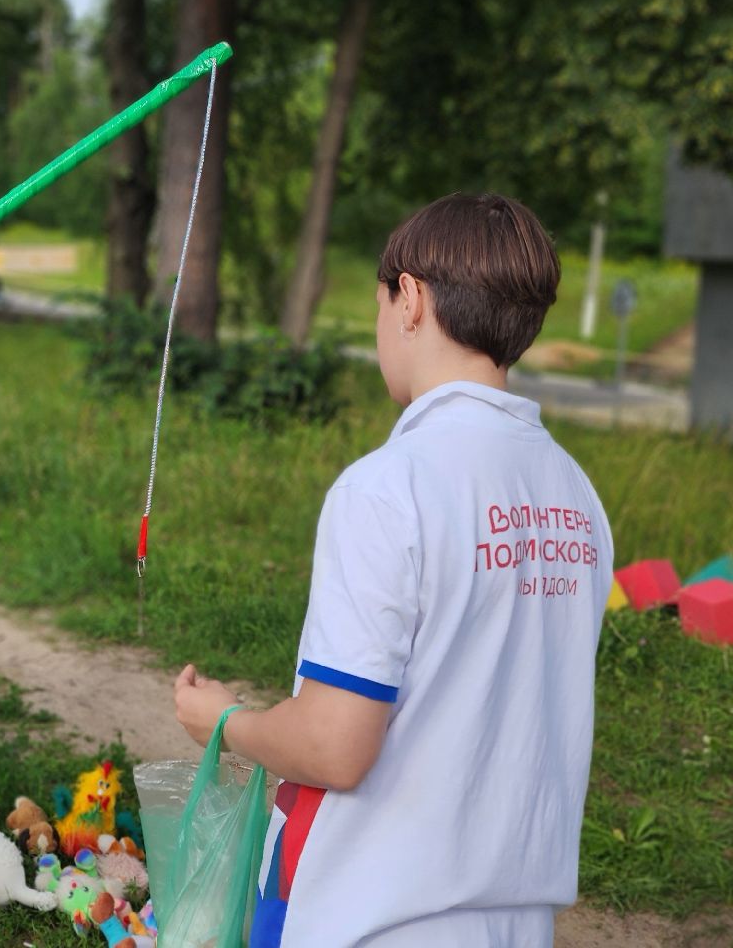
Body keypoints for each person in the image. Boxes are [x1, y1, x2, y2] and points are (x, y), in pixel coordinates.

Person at [172, 193, 615, 947]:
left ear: (409, 298)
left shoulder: (388, 487)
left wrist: (223, 720)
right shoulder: (574, 494)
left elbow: (334, 747)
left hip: (369, 914)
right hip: (514, 920)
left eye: (380, 303)